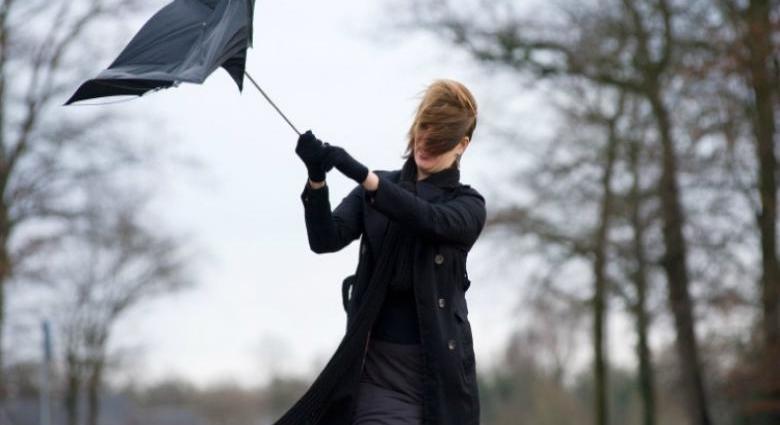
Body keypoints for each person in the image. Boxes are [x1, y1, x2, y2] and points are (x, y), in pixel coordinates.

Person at [286, 79, 485, 425]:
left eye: (439, 141)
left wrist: (366, 179)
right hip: (376, 369)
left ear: (462, 145)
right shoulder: (378, 187)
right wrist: (317, 179)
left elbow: (428, 219)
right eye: (423, 130)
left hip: (439, 379)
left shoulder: (467, 205)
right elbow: (325, 239)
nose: (425, 144)